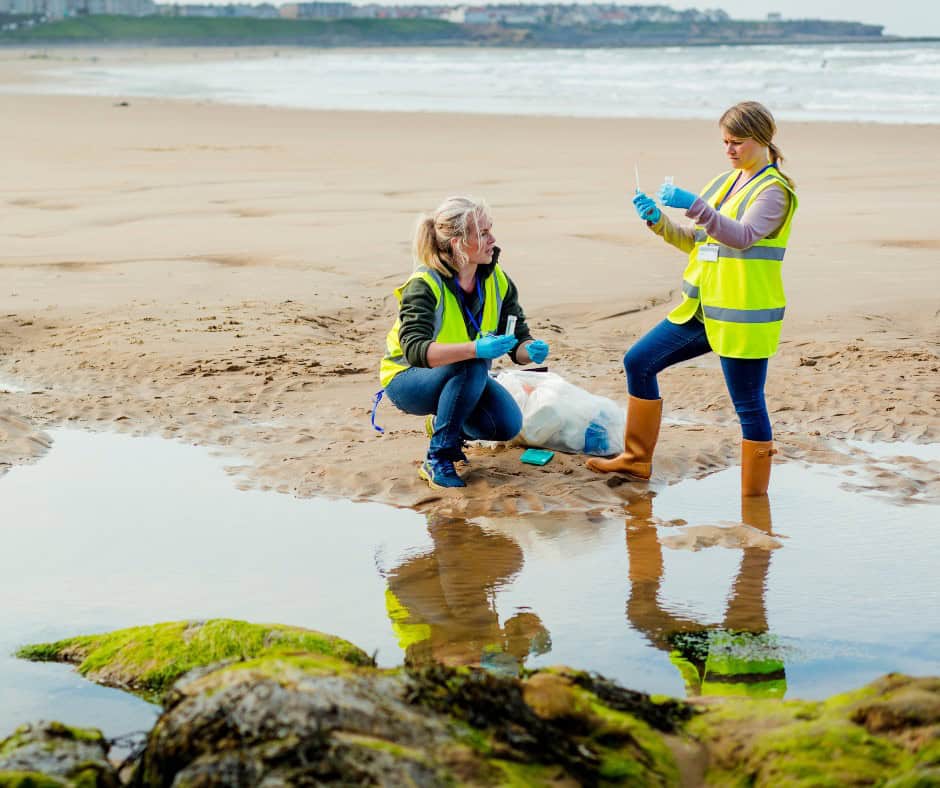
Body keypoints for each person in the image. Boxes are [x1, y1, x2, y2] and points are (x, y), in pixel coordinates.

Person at [587, 101, 798, 496]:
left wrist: (694, 205)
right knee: (639, 361)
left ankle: (754, 499)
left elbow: (743, 236)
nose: (729, 150)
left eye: (737, 142)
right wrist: (657, 220)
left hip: (742, 316)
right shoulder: (724, 182)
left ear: (762, 139)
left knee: (748, 404)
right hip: (701, 309)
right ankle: (636, 461)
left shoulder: (774, 192)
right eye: (724, 142)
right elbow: (697, 240)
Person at [379, 196, 550, 489]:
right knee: (471, 365)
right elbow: (416, 351)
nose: (493, 239)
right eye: (483, 233)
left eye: (490, 230)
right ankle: (438, 458)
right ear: (458, 243)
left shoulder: (498, 280)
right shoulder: (424, 284)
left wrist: (529, 350)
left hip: (465, 376)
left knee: (506, 425)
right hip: (407, 379)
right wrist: (475, 349)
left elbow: (517, 341)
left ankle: (445, 426)